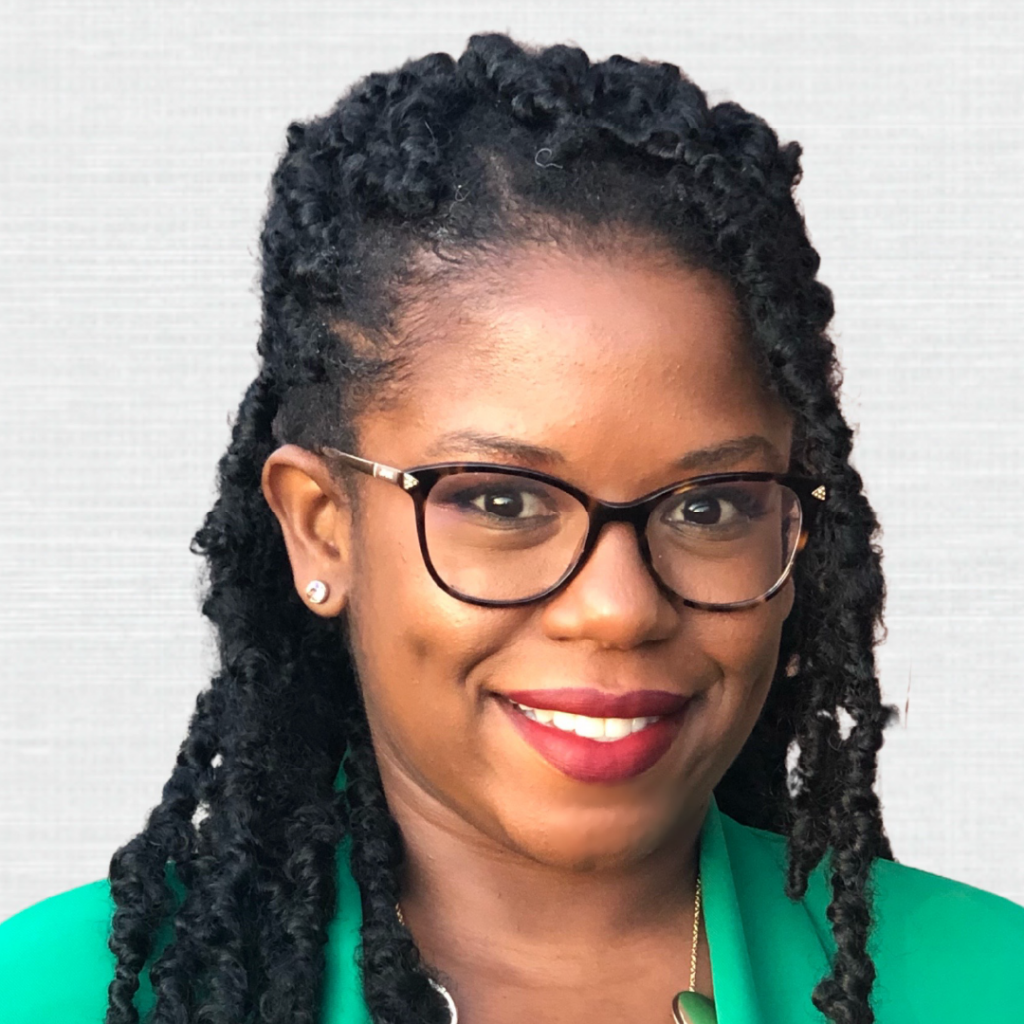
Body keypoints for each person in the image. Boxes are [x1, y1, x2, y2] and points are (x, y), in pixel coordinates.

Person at [1, 31, 1021, 1024]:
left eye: (708, 506)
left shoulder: (986, 984)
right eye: (502, 501)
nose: (618, 608)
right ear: (321, 530)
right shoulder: (60, 997)